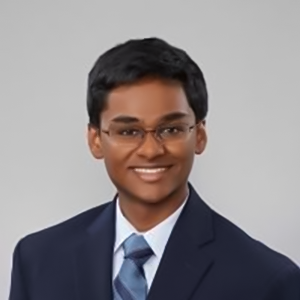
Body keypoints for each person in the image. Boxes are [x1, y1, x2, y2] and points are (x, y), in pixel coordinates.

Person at [9, 37, 300, 300]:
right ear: (95, 140)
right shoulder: (37, 260)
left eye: (171, 129)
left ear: (199, 135)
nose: (150, 150)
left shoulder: (265, 281)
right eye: (128, 131)